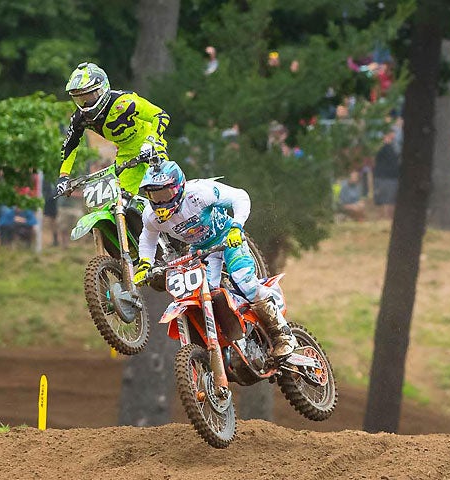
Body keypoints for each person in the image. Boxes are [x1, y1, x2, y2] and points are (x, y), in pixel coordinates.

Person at [133, 161, 296, 358]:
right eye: (154, 196)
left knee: (244, 281)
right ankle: (232, 340)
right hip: (200, 250)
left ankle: (282, 335)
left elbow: (240, 197)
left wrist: (237, 227)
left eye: (164, 195)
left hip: (227, 238)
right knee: (201, 296)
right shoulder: (151, 216)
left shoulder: (198, 193)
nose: (159, 202)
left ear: (178, 188)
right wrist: (145, 264)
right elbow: (148, 239)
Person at [56, 62, 171, 197]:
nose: (86, 104)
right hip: (126, 153)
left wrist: (150, 141)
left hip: (151, 144)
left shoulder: (125, 102)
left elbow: (161, 115)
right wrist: (64, 176)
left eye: (89, 97)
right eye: (80, 99)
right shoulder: (79, 118)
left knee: (163, 189)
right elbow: (70, 145)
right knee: (120, 199)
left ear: (102, 89)